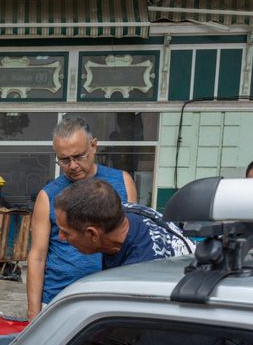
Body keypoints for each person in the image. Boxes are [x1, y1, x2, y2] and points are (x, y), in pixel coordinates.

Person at [26, 116, 139, 320]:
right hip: (58, 298)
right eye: (64, 160)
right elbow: (37, 256)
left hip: (111, 297)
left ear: (93, 146)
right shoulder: (47, 196)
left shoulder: (122, 182)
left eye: (79, 156)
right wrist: (33, 314)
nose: (72, 166)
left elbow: (133, 240)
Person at [54, 178, 191, 269]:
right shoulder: (122, 210)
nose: (60, 236)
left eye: (66, 232)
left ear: (92, 233)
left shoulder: (140, 271)